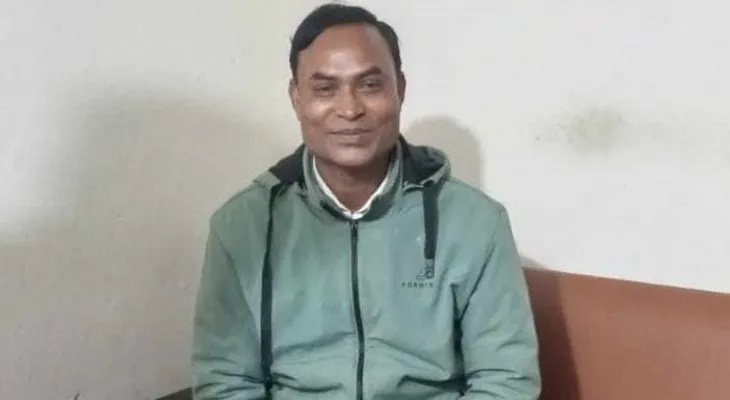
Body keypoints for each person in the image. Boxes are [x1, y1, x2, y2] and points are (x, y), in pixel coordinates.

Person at [191, 3, 541, 399]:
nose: (349, 109)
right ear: (296, 98)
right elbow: (225, 382)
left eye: (370, 85)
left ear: (400, 90)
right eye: (325, 89)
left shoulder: (476, 223)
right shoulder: (243, 227)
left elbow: (506, 380)